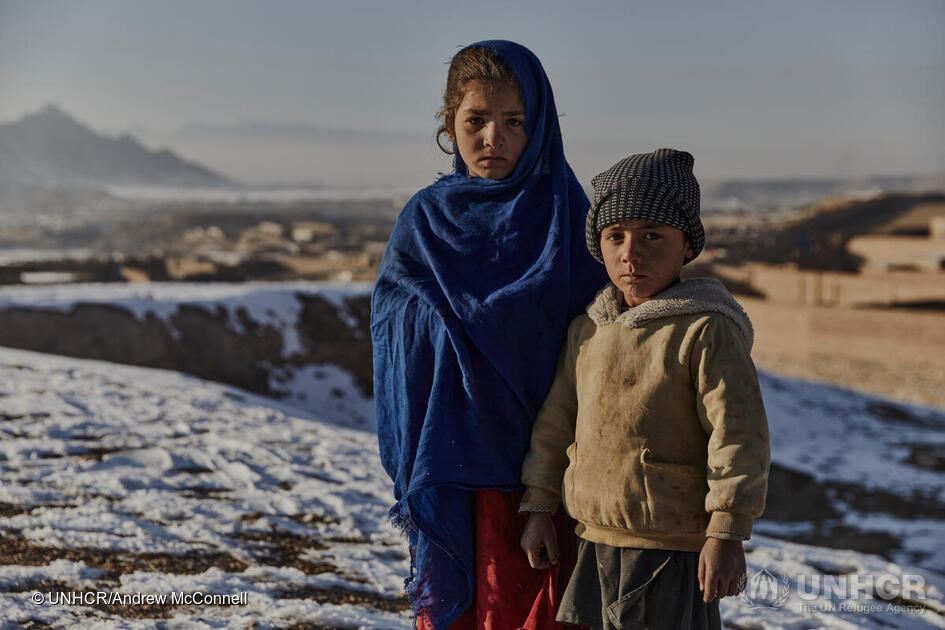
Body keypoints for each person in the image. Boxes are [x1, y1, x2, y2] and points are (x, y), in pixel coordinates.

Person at [371, 40, 606, 630]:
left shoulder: (571, 224)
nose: (492, 139)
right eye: (475, 121)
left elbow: (599, 353)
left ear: (540, 127)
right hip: (453, 470)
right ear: (450, 124)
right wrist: (448, 326)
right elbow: (391, 322)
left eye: (513, 122)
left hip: (549, 484)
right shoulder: (424, 221)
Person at [519, 149, 770, 629]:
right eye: (616, 236)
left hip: (670, 548)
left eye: (653, 235)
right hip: (593, 541)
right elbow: (556, 421)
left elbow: (738, 435)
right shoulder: (588, 331)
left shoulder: (705, 330)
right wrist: (539, 506)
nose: (631, 253)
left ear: (687, 246)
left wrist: (727, 531)